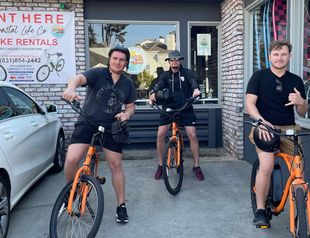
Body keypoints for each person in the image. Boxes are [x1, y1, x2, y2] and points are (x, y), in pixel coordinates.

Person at [63, 45, 136, 224]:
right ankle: (71, 192)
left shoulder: (128, 83)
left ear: (126, 63)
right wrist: (71, 88)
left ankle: (121, 206)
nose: (118, 62)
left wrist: (126, 114)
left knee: (115, 165)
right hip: (87, 121)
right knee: (72, 160)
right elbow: (78, 78)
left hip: (111, 127)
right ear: (109, 59)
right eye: (115, 58)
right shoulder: (97, 73)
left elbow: (131, 106)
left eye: (122, 60)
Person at [245, 40, 308, 228]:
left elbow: (302, 112)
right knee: (267, 166)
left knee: (299, 170)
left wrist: (301, 100)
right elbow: (250, 105)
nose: (279, 58)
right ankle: (261, 210)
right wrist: (261, 122)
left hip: (290, 129)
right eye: (275, 54)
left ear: (289, 56)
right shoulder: (259, 77)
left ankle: (301, 216)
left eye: (283, 54)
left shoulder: (296, 80)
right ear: (270, 56)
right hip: (264, 127)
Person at [149, 50, 204, 181]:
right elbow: (158, 88)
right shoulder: (164, 76)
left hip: (185, 107)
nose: (174, 63)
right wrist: (153, 95)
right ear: (168, 62)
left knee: (192, 135)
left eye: (177, 60)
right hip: (169, 108)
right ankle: (161, 165)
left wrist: (195, 89)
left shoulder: (187, 73)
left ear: (180, 61)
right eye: (172, 60)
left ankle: (196, 166)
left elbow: (192, 82)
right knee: (160, 134)